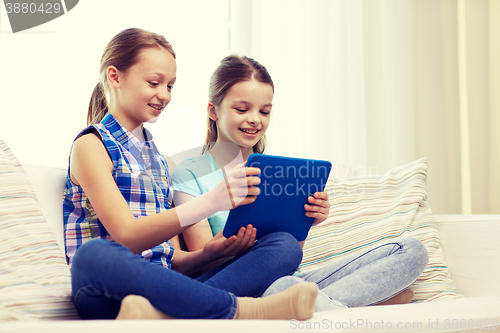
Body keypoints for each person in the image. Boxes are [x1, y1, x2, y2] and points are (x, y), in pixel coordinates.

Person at [63, 28, 319, 320]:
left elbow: (172, 262)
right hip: (107, 291)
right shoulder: (91, 146)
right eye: (154, 82)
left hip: (166, 288)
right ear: (115, 77)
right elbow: (126, 237)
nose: (164, 95)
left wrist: (211, 253)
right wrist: (211, 202)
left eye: (170, 86)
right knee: (93, 255)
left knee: (284, 246)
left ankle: (163, 316)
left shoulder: (158, 160)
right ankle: (243, 309)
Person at [171, 54, 429, 312]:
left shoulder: (278, 172)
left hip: (285, 282)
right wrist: (234, 243)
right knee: (283, 247)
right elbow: (201, 260)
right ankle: (335, 304)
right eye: (242, 109)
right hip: (230, 281)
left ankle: (313, 303)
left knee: (411, 250)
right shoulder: (189, 173)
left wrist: (306, 220)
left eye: (264, 111)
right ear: (213, 110)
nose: (255, 119)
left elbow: (294, 254)